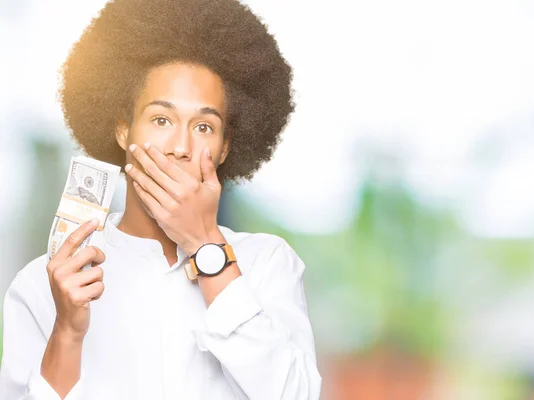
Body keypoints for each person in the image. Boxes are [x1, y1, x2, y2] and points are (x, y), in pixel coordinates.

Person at [0, 0, 321, 398]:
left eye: (204, 126)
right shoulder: (46, 282)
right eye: (161, 120)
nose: (180, 147)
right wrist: (67, 330)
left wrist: (206, 247)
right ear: (123, 131)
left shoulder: (268, 265)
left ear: (224, 149)